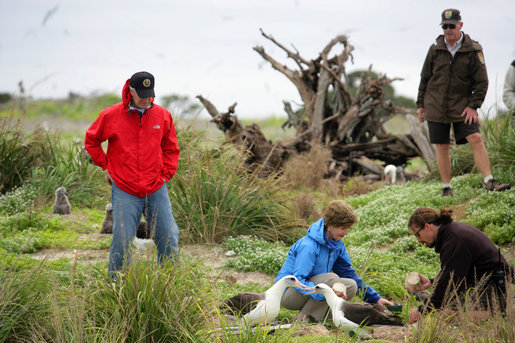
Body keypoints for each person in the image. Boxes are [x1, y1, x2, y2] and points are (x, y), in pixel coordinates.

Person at [85, 71, 180, 279]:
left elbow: (171, 148)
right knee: (122, 240)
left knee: (169, 236)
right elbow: (91, 140)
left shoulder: (162, 115)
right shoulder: (110, 115)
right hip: (125, 189)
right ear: (131, 91)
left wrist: (165, 175)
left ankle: (169, 286)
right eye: (142, 95)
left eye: (150, 95)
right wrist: (105, 165)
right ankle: (116, 288)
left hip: (156, 186)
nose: (146, 100)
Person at [416, 8, 510, 197]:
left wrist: (474, 105)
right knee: (442, 145)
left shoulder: (473, 49)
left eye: (452, 26)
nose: (448, 30)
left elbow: (482, 81)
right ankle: (446, 187)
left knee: (475, 138)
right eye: (445, 26)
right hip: (435, 104)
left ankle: (489, 180)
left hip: (462, 105)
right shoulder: (435, 47)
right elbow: (425, 77)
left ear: (460, 25)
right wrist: (420, 104)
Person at [276, 200, 393, 323]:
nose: (346, 232)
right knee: (331, 280)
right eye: (343, 228)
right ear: (330, 225)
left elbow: (348, 273)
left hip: (311, 290)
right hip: (289, 294)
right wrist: (325, 293)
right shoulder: (308, 246)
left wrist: (375, 298)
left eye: (348, 228)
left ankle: (321, 318)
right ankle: (304, 319)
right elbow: (298, 279)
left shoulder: (337, 245)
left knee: (350, 285)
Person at [406, 207, 512, 324]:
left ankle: (501, 313)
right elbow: (454, 274)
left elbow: (448, 285)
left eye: (418, 235)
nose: (419, 240)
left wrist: (422, 310)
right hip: (480, 284)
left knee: (446, 316)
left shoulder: (454, 239)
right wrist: (431, 282)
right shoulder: (451, 233)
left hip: (492, 286)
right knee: (443, 309)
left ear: (427, 227)